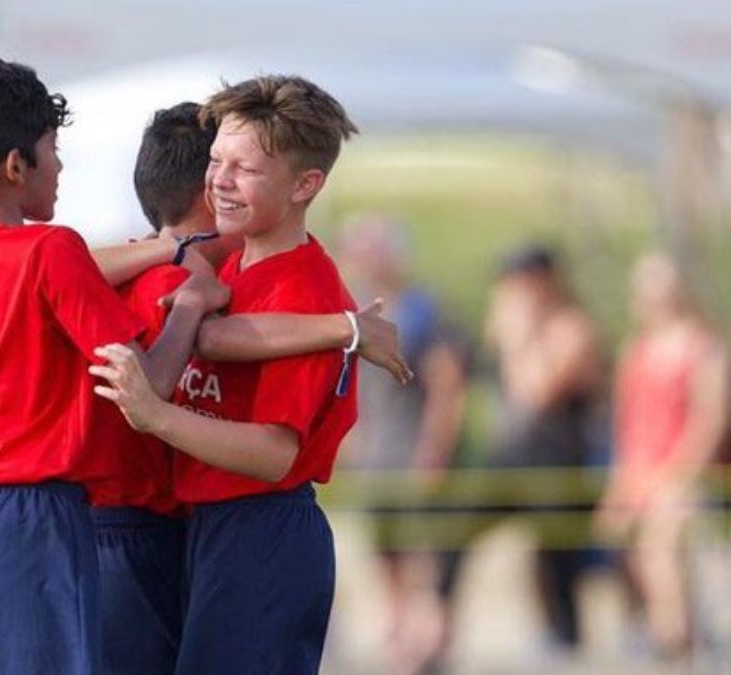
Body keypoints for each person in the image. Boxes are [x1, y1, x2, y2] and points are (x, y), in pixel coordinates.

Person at [0, 53, 229, 675]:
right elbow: (149, 387)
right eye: (52, 147)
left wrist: (163, 247)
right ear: (15, 165)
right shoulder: (52, 249)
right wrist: (191, 305)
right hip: (30, 522)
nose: (58, 164)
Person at [93, 102, 411, 675]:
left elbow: (272, 454)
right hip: (209, 530)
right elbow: (215, 336)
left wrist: (154, 414)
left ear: (305, 185)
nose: (220, 180)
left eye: (246, 168)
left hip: (261, 531)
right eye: (217, 161)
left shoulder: (303, 286)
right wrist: (349, 327)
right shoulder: (230, 268)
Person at [337, 213, 470, 675]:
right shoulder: (351, 314)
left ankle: (424, 642)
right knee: (385, 552)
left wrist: (434, 449)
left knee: (421, 557)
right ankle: (401, 637)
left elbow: (446, 384)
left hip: (412, 456)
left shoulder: (422, 310)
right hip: (374, 461)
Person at [596, 251, 728, 657]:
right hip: (643, 473)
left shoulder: (705, 349)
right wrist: (622, 484)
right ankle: (648, 629)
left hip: (690, 475)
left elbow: (710, 421)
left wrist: (679, 476)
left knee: (664, 537)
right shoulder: (635, 351)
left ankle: (675, 636)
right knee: (614, 534)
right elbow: (627, 424)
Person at [483, 244, 603, 652]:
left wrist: (521, 337)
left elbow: (535, 391)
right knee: (454, 533)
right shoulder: (513, 326)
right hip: (515, 460)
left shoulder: (572, 328)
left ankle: (568, 640)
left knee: (558, 557)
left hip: (561, 461)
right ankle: (430, 627)